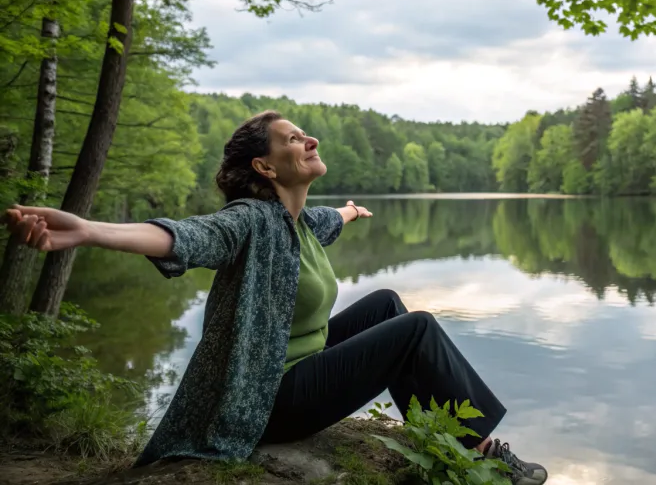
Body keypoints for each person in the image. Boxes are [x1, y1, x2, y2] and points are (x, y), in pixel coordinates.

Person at [4, 110, 548, 484]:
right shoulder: (249, 221)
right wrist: (89, 230)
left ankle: (439, 435)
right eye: (293, 139)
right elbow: (188, 236)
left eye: (306, 134)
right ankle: (481, 456)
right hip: (268, 399)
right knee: (418, 328)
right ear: (265, 167)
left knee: (384, 301)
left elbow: (329, 220)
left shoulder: (301, 222)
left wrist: (354, 212)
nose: (308, 141)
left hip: (300, 370)